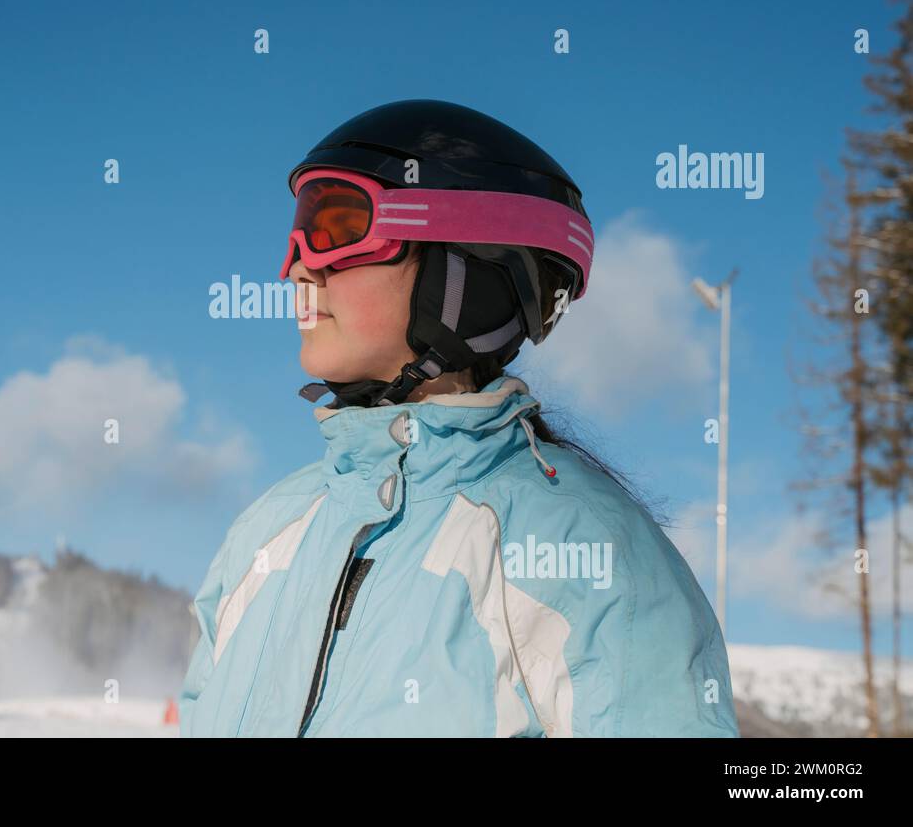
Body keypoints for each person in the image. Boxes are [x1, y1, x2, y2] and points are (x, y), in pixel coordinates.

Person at [178, 99, 740, 737]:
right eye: (299, 233)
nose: (299, 266)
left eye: (339, 228)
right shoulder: (266, 532)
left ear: (464, 273)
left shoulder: (578, 545)